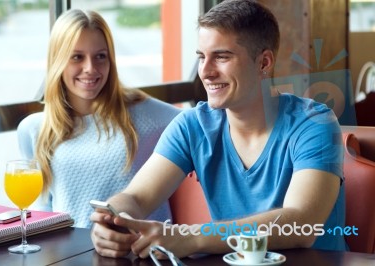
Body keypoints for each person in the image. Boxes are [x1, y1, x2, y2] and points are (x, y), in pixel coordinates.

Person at [90, 0, 347, 259]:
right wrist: (114, 221)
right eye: (202, 57)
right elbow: (136, 197)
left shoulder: (314, 123)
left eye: (222, 57)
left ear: (264, 62)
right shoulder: (193, 126)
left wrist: (190, 237)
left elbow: (301, 225)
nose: (206, 71)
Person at [17, 9, 180, 228]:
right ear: (57, 61)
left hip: (141, 254)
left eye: (100, 56)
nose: (90, 69)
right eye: (77, 57)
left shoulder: (148, 115)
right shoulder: (33, 129)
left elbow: (204, 123)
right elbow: (44, 207)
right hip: (70, 256)